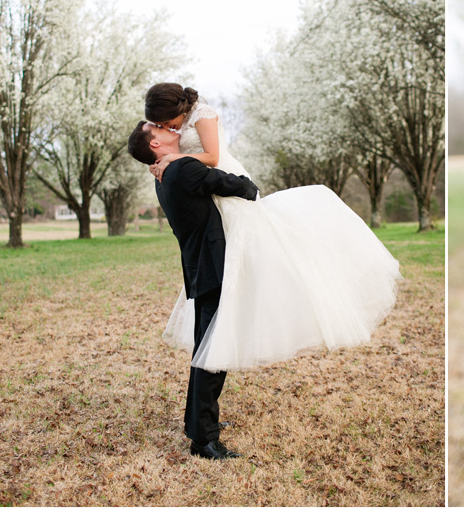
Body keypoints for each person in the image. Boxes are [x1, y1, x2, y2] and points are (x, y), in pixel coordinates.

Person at [141, 83, 402, 373]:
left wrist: (174, 157)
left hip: (223, 182)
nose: (167, 127)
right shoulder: (175, 138)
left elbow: (213, 158)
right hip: (206, 192)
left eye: (167, 122)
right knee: (228, 264)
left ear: (177, 110)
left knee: (261, 250)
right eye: (161, 126)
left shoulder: (203, 114)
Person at [128, 120, 258, 459]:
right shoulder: (183, 168)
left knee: (208, 348)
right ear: (154, 145)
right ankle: (203, 439)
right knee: (212, 353)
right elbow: (241, 187)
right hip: (213, 267)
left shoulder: (165, 173)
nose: (170, 129)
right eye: (158, 128)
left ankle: (201, 421)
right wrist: (249, 185)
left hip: (202, 268)